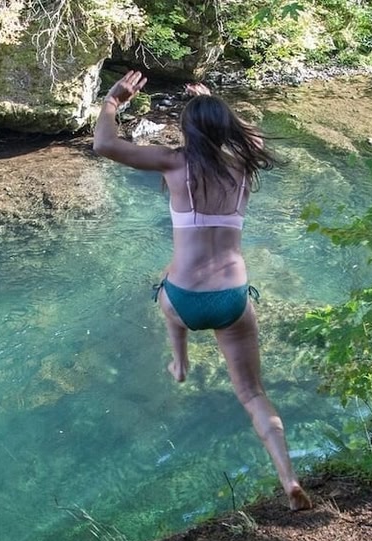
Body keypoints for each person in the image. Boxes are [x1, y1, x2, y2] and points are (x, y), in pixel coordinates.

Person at [93, 70, 312, 511]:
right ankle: (288, 478)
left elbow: (105, 145)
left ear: (187, 130)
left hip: (184, 299)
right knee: (252, 393)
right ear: (227, 128)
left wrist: (113, 101)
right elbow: (251, 136)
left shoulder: (175, 163)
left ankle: (179, 362)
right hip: (232, 298)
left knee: (164, 287)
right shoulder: (244, 167)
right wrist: (214, 103)